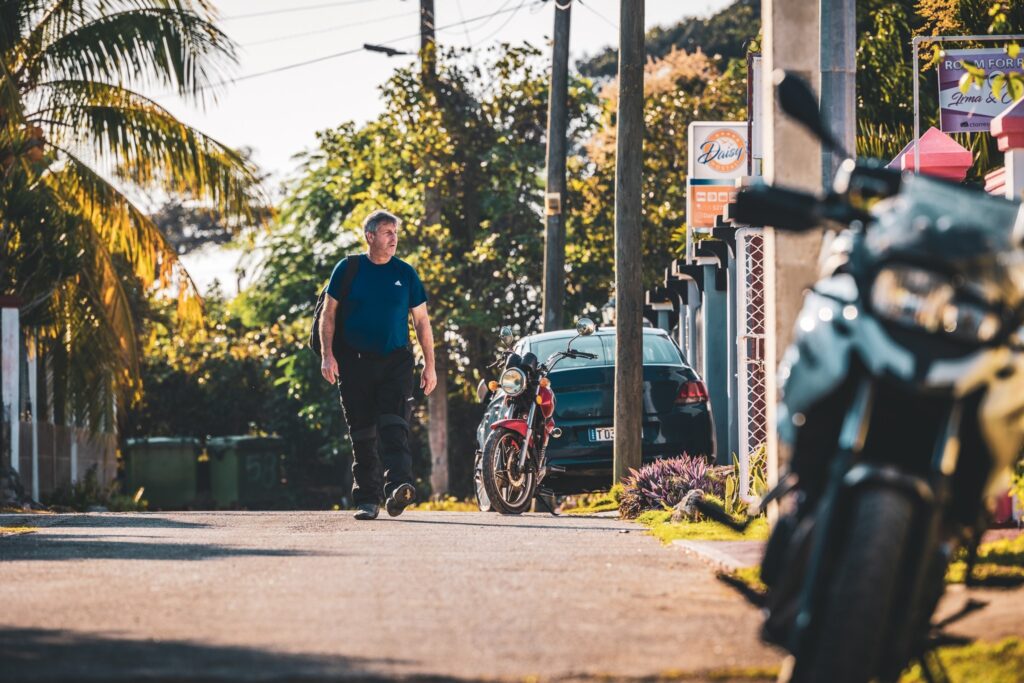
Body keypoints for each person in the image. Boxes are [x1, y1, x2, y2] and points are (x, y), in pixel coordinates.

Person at [319, 210, 437, 520]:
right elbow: (328, 314)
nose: (394, 238)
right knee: (363, 433)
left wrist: (430, 364)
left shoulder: (406, 273)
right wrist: (327, 355)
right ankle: (367, 499)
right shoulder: (348, 269)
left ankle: (398, 488)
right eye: (387, 232)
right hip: (354, 362)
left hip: (395, 361)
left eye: (395, 232)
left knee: (394, 426)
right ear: (370, 236)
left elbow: (422, 321)